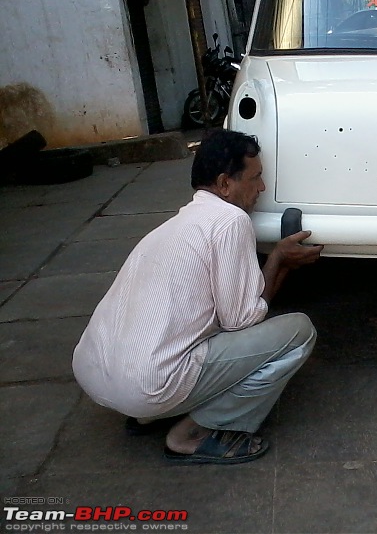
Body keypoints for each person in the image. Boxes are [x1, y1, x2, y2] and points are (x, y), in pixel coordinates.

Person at [72, 129, 323, 465]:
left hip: (95, 377)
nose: (261, 187)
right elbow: (243, 319)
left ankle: (148, 415)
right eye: (256, 177)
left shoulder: (174, 225)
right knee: (299, 331)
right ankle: (194, 433)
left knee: (196, 325)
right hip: (148, 387)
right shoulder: (230, 220)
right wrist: (279, 260)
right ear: (225, 184)